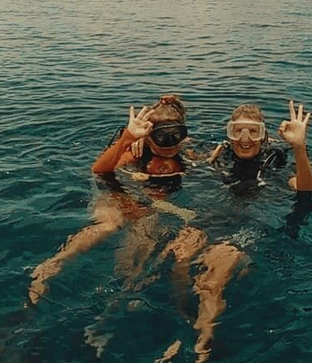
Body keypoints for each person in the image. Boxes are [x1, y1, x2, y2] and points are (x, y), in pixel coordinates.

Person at [157, 100, 312, 363]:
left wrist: (299, 148)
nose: (245, 139)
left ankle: (199, 351)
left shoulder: (275, 161)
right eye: (237, 131)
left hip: (246, 228)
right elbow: (174, 142)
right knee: (178, 256)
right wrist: (166, 116)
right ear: (228, 134)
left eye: (253, 132)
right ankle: (183, 322)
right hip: (210, 219)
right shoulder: (218, 155)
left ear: (264, 136)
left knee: (209, 283)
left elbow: (305, 189)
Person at [27, 94, 193, 305]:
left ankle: (126, 288)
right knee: (109, 225)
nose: (169, 143)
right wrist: (129, 138)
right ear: (148, 135)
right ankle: (51, 265)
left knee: (145, 229)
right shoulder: (134, 151)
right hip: (114, 190)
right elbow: (98, 171)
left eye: (176, 135)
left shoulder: (187, 152)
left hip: (146, 201)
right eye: (161, 137)